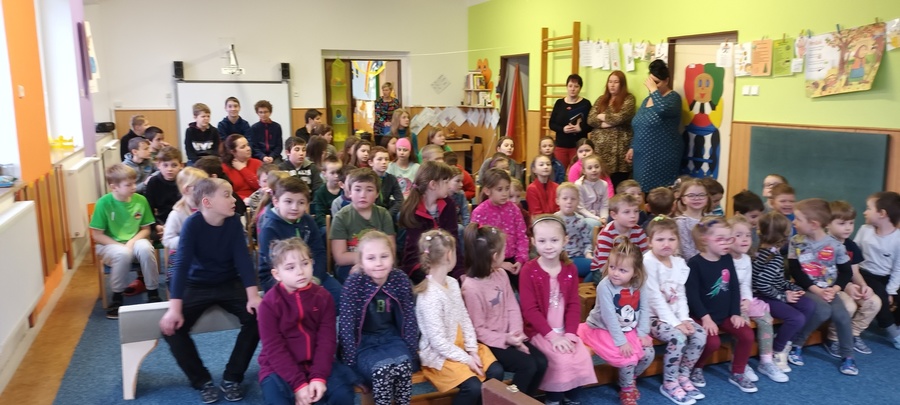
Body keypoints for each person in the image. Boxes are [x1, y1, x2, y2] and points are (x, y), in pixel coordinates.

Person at [159, 178, 260, 403]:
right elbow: (181, 265)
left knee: (258, 317)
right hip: (197, 284)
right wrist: (174, 309)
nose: (234, 200)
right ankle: (202, 380)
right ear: (207, 202)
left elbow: (243, 259)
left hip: (228, 282)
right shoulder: (192, 225)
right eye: (227, 195)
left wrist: (253, 296)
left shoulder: (233, 222)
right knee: (172, 330)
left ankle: (232, 377)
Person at [257, 238, 358, 405]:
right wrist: (298, 384)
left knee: (343, 395)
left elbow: (326, 341)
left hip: (316, 362)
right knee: (277, 399)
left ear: (312, 263)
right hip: (279, 367)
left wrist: (318, 377)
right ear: (277, 274)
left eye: (304, 264)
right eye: (290, 267)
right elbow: (274, 349)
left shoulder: (323, 297)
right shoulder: (268, 304)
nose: (300, 272)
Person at [415, 229, 503, 405]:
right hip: (441, 356)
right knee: (473, 387)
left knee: (496, 372)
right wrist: (467, 359)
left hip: (462, 346)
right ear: (449, 254)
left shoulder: (452, 283)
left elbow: (464, 318)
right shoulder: (429, 295)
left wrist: (472, 350)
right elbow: (438, 342)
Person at [460, 223, 548, 398]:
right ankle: (509, 400)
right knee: (527, 366)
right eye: (503, 251)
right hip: (489, 343)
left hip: (510, 336)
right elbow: (478, 331)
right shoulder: (470, 288)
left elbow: (512, 307)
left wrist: (516, 335)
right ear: (494, 256)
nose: (506, 254)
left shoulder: (500, 274)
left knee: (541, 362)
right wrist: (507, 339)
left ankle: (525, 400)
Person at [519, 216, 598, 405]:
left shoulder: (569, 269)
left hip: (565, 329)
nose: (548, 246)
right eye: (542, 241)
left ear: (565, 240)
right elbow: (530, 310)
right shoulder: (528, 270)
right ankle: (553, 400)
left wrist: (570, 334)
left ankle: (572, 399)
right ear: (533, 241)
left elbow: (573, 305)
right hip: (540, 331)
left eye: (554, 240)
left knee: (582, 357)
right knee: (560, 361)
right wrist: (553, 337)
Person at [338, 230, 418, 405]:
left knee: (403, 366)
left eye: (384, 256)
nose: (379, 263)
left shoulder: (400, 279)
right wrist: (351, 366)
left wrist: (412, 353)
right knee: (383, 370)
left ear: (392, 257)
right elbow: (346, 327)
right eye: (371, 258)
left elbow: (409, 319)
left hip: (391, 339)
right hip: (364, 344)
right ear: (361, 262)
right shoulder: (354, 284)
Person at [578, 236, 655, 405]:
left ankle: (630, 378)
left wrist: (642, 333)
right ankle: (626, 389)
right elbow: (610, 318)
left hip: (628, 329)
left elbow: (644, 308)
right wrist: (621, 342)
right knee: (627, 358)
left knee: (649, 354)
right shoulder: (605, 286)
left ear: (635, 272)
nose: (615, 273)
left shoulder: (639, 283)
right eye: (612, 267)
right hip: (603, 329)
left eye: (622, 270)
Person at [685, 216, 757, 393]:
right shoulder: (694, 264)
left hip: (725, 314)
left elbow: (734, 287)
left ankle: (738, 372)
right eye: (720, 239)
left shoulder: (727, 259)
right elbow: (692, 296)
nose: (726, 243)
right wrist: (705, 318)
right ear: (705, 239)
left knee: (747, 335)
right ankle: (697, 367)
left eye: (728, 239)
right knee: (712, 343)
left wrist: (735, 313)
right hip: (702, 315)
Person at [752, 212, 830, 371]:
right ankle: (777, 349)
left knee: (808, 305)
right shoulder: (772, 257)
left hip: (772, 293)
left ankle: (787, 341)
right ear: (785, 236)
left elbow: (776, 280)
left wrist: (793, 288)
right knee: (796, 319)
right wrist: (783, 297)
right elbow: (762, 285)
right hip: (762, 297)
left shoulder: (773, 253)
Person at [787, 198, 857, 375]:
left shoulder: (836, 246)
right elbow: (796, 270)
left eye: (798, 219)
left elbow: (846, 272)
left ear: (813, 224)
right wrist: (816, 290)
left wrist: (834, 289)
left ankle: (848, 357)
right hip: (805, 288)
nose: (794, 222)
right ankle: (797, 343)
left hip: (829, 290)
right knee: (823, 311)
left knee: (842, 315)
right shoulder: (796, 241)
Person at [642, 216, 706, 404]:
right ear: (650, 242)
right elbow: (654, 298)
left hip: (674, 316)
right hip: (651, 317)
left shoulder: (678, 263)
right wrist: (676, 324)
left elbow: (680, 295)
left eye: (671, 239)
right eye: (660, 239)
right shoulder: (648, 262)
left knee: (700, 334)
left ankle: (683, 375)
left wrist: (685, 318)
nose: (666, 244)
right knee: (678, 338)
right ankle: (669, 382)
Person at [89, 164, 160, 319]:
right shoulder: (103, 203)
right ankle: (117, 297)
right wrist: (121, 246)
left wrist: (132, 242)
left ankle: (153, 292)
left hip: (134, 241)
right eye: (128, 185)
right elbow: (97, 235)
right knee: (122, 254)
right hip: (109, 245)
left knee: (146, 248)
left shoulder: (141, 200)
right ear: (114, 187)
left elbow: (146, 229)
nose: (134, 187)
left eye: (134, 183)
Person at [258, 177, 340, 307]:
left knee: (339, 296)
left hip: (309, 273)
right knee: (299, 305)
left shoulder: (308, 221)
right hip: (280, 278)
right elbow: (272, 266)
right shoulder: (269, 228)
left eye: (301, 203)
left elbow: (319, 252)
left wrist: (315, 278)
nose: (294, 207)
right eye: (288, 201)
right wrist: (302, 283)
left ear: (307, 205)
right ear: (276, 202)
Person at [729, 215, 788, 383]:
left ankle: (766, 361)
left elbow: (746, 284)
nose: (744, 239)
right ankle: (739, 361)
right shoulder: (724, 260)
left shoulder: (747, 259)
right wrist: (737, 304)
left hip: (745, 299)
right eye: (738, 235)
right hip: (729, 302)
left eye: (748, 235)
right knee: (743, 323)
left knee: (766, 319)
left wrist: (747, 300)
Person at [826, 200, 882, 356]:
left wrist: (864, 286)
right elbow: (825, 274)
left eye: (851, 223)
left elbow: (855, 273)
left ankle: (853, 333)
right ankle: (833, 338)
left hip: (848, 286)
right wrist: (846, 286)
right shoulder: (824, 245)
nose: (848, 227)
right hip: (830, 287)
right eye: (842, 223)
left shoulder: (851, 246)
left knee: (874, 302)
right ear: (827, 224)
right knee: (848, 306)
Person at [398, 161, 462, 282]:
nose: (449, 186)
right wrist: (436, 271)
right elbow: (417, 250)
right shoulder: (414, 209)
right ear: (433, 185)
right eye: (446, 182)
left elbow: (453, 241)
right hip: (420, 265)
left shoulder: (449, 204)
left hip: (446, 261)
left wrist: (459, 272)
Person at [330, 168, 396, 283]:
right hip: (350, 266)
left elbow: (391, 249)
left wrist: (372, 262)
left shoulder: (383, 214)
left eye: (369, 190)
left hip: (380, 262)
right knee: (360, 280)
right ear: (349, 192)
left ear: (377, 194)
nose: (363, 195)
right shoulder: (341, 217)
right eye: (357, 189)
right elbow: (340, 257)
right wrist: (365, 262)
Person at [628, 60, 683, 192]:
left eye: (657, 82)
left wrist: (653, 90)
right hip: (641, 156)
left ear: (666, 81)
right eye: (651, 82)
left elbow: (662, 109)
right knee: (640, 192)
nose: (653, 86)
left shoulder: (673, 98)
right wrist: (632, 147)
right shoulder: (647, 100)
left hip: (661, 156)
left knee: (659, 194)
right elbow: (639, 125)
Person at [855, 191, 900, 349]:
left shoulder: (898, 239)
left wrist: (891, 291)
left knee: (890, 292)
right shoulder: (864, 230)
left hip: (887, 276)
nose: (864, 212)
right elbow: (853, 253)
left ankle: (896, 322)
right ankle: (892, 332)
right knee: (880, 293)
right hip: (865, 274)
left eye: (868, 208)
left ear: (882, 214)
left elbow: (898, 269)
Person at [471, 168, 529, 289]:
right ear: (487, 190)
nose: (505, 193)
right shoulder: (479, 212)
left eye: (507, 189)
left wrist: (520, 260)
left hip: (513, 260)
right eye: (499, 189)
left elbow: (522, 236)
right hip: (489, 264)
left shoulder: (514, 209)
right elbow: (478, 245)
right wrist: (498, 264)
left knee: (525, 285)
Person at [587, 70, 636, 189]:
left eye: (616, 82)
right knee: (601, 186)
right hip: (600, 151)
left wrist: (602, 117)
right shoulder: (601, 99)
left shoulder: (629, 99)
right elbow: (590, 119)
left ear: (622, 84)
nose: (612, 85)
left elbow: (620, 117)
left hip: (619, 152)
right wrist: (606, 123)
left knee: (618, 186)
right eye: (610, 82)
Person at [161, 167, 208, 287]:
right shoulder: (177, 213)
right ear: (186, 189)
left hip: (205, 253)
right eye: (201, 187)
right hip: (181, 254)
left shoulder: (208, 208)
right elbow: (167, 240)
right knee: (177, 281)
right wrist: (188, 241)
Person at [590, 194, 649, 280]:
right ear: (614, 215)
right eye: (627, 212)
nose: (633, 215)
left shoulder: (639, 231)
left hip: (629, 270)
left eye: (636, 211)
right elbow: (603, 265)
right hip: (604, 271)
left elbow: (645, 257)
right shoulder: (606, 234)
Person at [548, 74, 592, 167]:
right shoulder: (559, 103)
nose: (573, 89)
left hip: (579, 147)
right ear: (567, 87)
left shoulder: (586, 104)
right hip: (561, 145)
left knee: (578, 172)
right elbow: (551, 124)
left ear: (580, 88)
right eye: (570, 86)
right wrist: (563, 129)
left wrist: (580, 129)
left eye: (576, 86)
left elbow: (591, 125)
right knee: (559, 172)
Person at [555, 182, 594, 278]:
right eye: (565, 198)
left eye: (573, 199)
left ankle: (583, 286)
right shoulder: (554, 220)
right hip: (560, 259)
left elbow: (587, 241)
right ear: (557, 201)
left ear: (578, 201)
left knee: (597, 266)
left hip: (579, 257)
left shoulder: (581, 220)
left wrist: (588, 254)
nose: (569, 201)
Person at [220, 134, 263, 202]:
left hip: (259, 200)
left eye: (248, 145)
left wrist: (243, 169)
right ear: (233, 152)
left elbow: (260, 185)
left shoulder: (257, 163)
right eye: (243, 147)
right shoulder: (224, 168)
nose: (248, 149)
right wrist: (243, 199)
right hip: (236, 202)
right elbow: (226, 192)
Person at [675, 179, 710, 259]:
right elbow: (686, 251)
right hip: (692, 263)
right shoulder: (681, 222)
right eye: (691, 195)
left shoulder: (712, 219)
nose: (697, 198)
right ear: (683, 200)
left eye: (701, 195)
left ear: (707, 198)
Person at [368, 146, 403, 218]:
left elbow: (399, 200)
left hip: (387, 213)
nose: (384, 162)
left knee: (401, 214)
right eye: (379, 159)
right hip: (370, 213)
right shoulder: (366, 179)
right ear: (371, 162)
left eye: (386, 159)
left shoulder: (391, 178)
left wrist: (388, 215)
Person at [575, 154, 610, 225]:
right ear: (584, 171)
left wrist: (604, 218)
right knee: (594, 223)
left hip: (600, 218)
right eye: (590, 168)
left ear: (601, 168)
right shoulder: (579, 185)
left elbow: (604, 205)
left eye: (597, 167)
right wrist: (597, 219)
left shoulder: (604, 184)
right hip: (583, 217)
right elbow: (580, 209)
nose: (594, 170)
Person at [312, 156, 344, 230]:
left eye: (339, 172)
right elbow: (319, 215)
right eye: (332, 173)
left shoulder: (345, 189)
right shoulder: (320, 193)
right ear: (324, 174)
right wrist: (331, 226)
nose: (336, 176)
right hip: (327, 225)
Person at [249, 100, 283, 164]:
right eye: (260, 112)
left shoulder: (277, 127)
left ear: (270, 112)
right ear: (257, 113)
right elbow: (254, 147)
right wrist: (263, 157)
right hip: (259, 157)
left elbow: (279, 146)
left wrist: (272, 156)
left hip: (274, 157)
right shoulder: (254, 128)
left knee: (278, 167)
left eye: (266, 112)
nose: (263, 114)